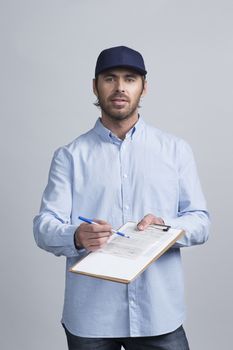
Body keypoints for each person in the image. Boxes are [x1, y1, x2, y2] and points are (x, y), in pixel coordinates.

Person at [33, 46, 210, 350]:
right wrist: (76, 235)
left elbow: (201, 222)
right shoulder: (69, 157)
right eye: (109, 78)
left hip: (158, 316)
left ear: (144, 87)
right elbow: (43, 226)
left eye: (130, 79)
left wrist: (164, 228)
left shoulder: (175, 150)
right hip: (90, 317)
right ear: (95, 86)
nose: (119, 88)